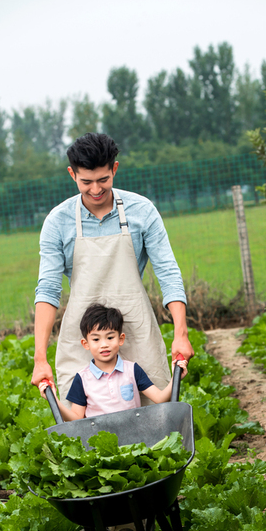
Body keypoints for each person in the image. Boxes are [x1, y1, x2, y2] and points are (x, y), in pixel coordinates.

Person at [31, 133, 194, 404]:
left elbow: (168, 273)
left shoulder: (142, 211)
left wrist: (181, 334)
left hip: (134, 328)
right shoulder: (57, 222)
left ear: (114, 169)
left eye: (103, 180)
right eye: (86, 182)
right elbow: (48, 290)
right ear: (72, 174)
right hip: (85, 336)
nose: (95, 189)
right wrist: (40, 358)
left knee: (155, 416)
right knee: (85, 424)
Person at [39, 303, 188, 421]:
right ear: (86, 344)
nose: (104, 344)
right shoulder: (82, 379)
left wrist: (176, 376)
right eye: (96, 339)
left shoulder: (132, 370)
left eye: (110, 337)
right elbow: (76, 418)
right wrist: (53, 399)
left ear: (121, 339)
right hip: (99, 443)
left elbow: (160, 398)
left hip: (135, 436)